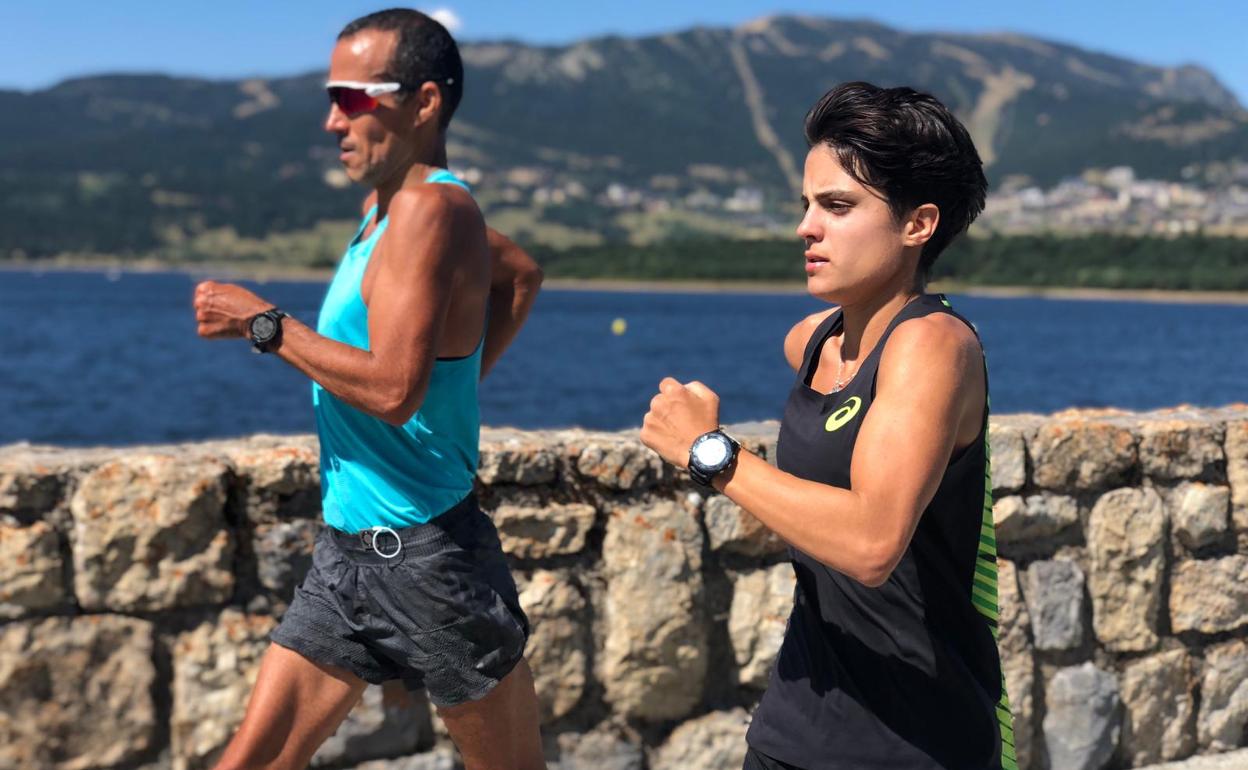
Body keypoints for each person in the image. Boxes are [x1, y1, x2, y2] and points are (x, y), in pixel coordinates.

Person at [191, 9, 545, 770]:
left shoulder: (431, 208)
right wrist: (459, 387)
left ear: (423, 103)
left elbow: (391, 392)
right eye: (330, 97)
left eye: (352, 97)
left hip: (429, 561)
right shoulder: (388, 210)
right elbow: (519, 277)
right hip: (348, 554)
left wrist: (264, 323)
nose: (331, 120)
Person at [640, 82, 1015, 770]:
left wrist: (710, 450)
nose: (805, 228)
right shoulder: (819, 339)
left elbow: (874, 541)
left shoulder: (933, 345)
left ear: (917, 224)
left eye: (838, 206)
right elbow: (821, 372)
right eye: (806, 204)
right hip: (796, 724)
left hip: (911, 740)